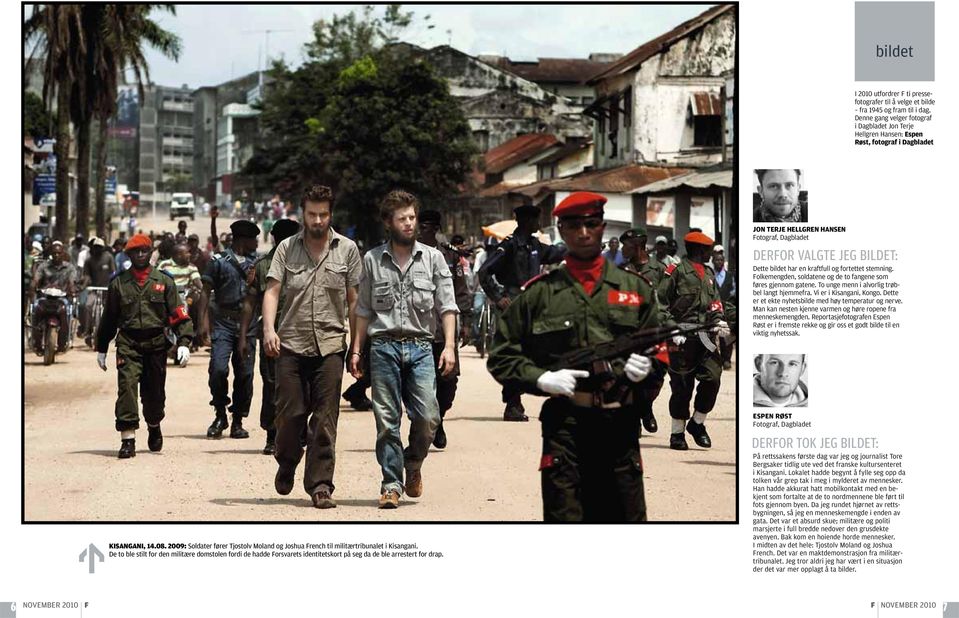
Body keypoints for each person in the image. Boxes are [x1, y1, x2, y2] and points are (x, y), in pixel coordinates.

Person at [487, 191, 657, 522]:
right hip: (566, 428)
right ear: (561, 230)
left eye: (591, 224)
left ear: (602, 227)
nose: (583, 233)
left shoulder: (634, 289)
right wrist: (538, 379)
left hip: (620, 426)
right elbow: (502, 354)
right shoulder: (539, 294)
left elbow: (659, 351)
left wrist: (646, 372)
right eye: (574, 226)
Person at [349, 190, 457, 509]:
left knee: (427, 416)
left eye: (412, 217)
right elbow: (363, 310)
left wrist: (449, 346)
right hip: (383, 347)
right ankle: (391, 483)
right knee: (387, 419)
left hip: (421, 347)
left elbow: (447, 306)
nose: (409, 224)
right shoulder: (372, 260)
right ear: (388, 222)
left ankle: (413, 463)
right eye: (402, 218)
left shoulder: (433, 259)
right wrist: (356, 350)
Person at [261, 186, 361, 508]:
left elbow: (355, 301)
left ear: (331, 214)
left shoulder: (347, 249)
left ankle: (320, 485)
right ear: (302, 213)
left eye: (323, 214)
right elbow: (272, 291)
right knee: (290, 415)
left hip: (331, 345)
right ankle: (287, 461)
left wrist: (357, 346)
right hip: (290, 343)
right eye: (311, 214)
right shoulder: (286, 249)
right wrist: (268, 330)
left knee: (325, 419)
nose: (317, 220)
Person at [95, 234, 193, 458]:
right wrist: (102, 348)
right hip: (128, 343)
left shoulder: (164, 281)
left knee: (154, 394)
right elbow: (109, 318)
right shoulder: (118, 283)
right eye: (135, 252)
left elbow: (179, 314)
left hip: (156, 345)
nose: (140, 255)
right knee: (127, 387)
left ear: (151, 253)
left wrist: (184, 342)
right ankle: (127, 438)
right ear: (128, 255)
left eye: (144, 251)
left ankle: (154, 425)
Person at [478, 203, 566, 421]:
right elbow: (484, 272)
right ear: (526, 221)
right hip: (513, 302)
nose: (538, 224)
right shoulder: (508, 245)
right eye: (536, 220)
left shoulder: (535, 244)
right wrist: (499, 297)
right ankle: (512, 404)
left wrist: (579, 248)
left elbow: (554, 254)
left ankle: (517, 398)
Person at [658, 232, 731, 450]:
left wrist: (719, 321)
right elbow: (660, 303)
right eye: (708, 249)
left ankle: (697, 423)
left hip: (706, 338)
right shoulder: (676, 272)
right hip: (681, 339)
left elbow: (715, 303)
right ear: (699, 250)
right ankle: (677, 433)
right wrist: (671, 328)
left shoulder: (708, 274)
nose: (711, 253)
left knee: (712, 379)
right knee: (682, 385)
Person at [238, 218, 301, 456]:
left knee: (299, 386)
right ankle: (272, 434)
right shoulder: (263, 265)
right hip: (272, 334)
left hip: (300, 334)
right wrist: (244, 336)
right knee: (272, 384)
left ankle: (296, 432)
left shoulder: (307, 261)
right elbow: (249, 304)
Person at [196, 219, 260, 440]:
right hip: (223, 322)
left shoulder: (258, 262)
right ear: (244, 239)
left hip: (249, 325)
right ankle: (220, 413)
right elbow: (205, 291)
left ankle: (238, 420)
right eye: (253, 238)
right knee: (218, 369)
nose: (256, 242)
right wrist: (202, 323)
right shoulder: (219, 262)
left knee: (245, 374)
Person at [416, 209, 473, 449]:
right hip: (417, 330)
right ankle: (424, 424)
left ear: (437, 228)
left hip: (444, 331)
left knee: (448, 383)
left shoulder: (450, 256)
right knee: (419, 384)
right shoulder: (407, 253)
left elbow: (461, 290)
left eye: (431, 226)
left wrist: (467, 323)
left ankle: (438, 420)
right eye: (423, 225)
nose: (426, 230)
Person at [618, 227, 667, 434]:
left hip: (656, 330)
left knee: (656, 375)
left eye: (626, 246)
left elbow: (667, 301)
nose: (622, 250)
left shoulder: (660, 270)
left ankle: (646, 407)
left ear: (638, 246)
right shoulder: (622, 271)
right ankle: (635, 418)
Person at [29, 241, 77, 352]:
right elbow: (36, 279)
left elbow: (71, 282)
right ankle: (36, 341)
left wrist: (72, 289)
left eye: (58, 253)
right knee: (36, 309)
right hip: (45, 298)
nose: (56, 255)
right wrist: (32, 286)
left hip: (62, 299)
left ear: (62, 254)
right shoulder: (44, 266)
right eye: (54, 253)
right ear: (51, 253)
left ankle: (63, 342)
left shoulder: (69, 268)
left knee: (67, 312)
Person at [80, 238, 115, 345]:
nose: (97, 250)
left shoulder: (108, 257)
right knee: (88, 306)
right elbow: (86, 275)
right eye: (95, 247)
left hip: (107, 289)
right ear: (93, 248)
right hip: (93, 289)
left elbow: (113, 272)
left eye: (99, 247)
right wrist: (83, 286)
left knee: (112, 309)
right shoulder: (89, 260)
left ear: (103, 248)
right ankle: (88, 330)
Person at [712, 245, 737, 370]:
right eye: (716, 260)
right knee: (715, 333)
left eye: (721, 260)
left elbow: (734, 291)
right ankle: (717, 358)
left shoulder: (730, 276)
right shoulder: (710, 276)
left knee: (728, 333)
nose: (719, 262)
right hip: (714, 308)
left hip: (727, 308)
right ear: (713, 261)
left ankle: (726, 359)